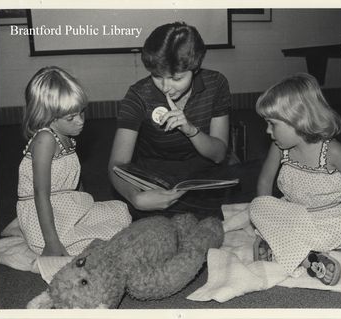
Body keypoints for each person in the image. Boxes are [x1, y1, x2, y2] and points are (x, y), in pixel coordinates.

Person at [249, 73, 341, 286]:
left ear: (298, 120)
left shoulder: (332, 151)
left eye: (272, 124)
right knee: (256, 208)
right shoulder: (279, 148)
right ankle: (310, 259)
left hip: (327, 216)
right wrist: (268, 212)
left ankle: (277, 243)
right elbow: (264, 183)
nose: (267, 131)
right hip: (292, 213)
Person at [108, 22, 238, 220]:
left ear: (195, 68)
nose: (166, 87)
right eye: (157, 76)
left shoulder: (216, 83)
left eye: (176, 78)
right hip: (156, 175)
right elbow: (116, 164)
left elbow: (219, 154)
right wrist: (136, 197)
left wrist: (190, 129)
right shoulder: (138, 95)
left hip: (202, 172)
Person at [17, 66, 132, 256]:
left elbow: (73, 182)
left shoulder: (67, 136)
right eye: (71, 117)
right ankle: (34, 234)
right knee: (111, 235)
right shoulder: (45, 140)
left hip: (67, 207)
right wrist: (51, 242)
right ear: (47, 116)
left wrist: (85, 207)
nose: (80, 121)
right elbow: (40, 193)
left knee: (121, 211)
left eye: (81, 112)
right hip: (46, 219)